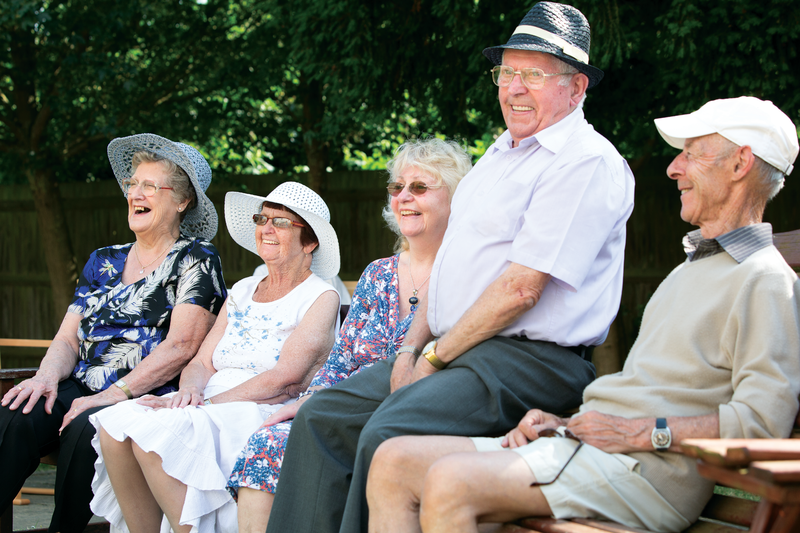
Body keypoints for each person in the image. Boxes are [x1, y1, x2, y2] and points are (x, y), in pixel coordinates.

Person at [265, 3, 636, 532]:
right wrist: (410, 350)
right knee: (321, 417)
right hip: (463, 348)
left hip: (530, 362)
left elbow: (520, 289)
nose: (514, 88)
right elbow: (448, 273)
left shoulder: (585, 161)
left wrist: (433, 359)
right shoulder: (498, 157)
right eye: (506, 72)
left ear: (576, 88)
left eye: (533, 74)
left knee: (389, 429)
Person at [366, 96, 800, 533]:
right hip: (595, 452)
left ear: (741, 163)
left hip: (646, 475)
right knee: (393, 462)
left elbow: (762, 424)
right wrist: (564, 422)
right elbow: (648, 392)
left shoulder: (764, 279)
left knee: (450, 480)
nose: (674, 168)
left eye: (692, 153)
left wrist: (643, 433)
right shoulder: (692, 270)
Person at [227, 138, 471, 533]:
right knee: (266, 444)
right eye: (398, 187)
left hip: (414, 415)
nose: (404, 196)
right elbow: (340, 360)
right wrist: (306, 402)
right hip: (341, 410)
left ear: (456, 197)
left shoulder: (469, 275)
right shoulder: (378, 274)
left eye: (421, 187)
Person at [0, 133, 227, 533]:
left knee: (88, 428)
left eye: (151, 186)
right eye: (132, 184)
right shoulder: (103, 260)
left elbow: (182, 345)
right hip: (83, 381)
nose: (136, 193)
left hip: (145, 394)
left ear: (182, 201)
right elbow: (68, 337)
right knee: (17, 414)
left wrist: (109, 396)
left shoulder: (196, 258)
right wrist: (47, 376)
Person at [87, 181, 341, 533]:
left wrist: (206, 404)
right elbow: (202, 363)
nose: (266, 229)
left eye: (280, 223)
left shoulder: (320, 296)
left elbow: (286, 379)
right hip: (209, 403)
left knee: (154, 436)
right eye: (261, 219)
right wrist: (187, 393)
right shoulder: (242, 290)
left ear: (309, 241)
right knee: (116, 424)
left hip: (260, 410)